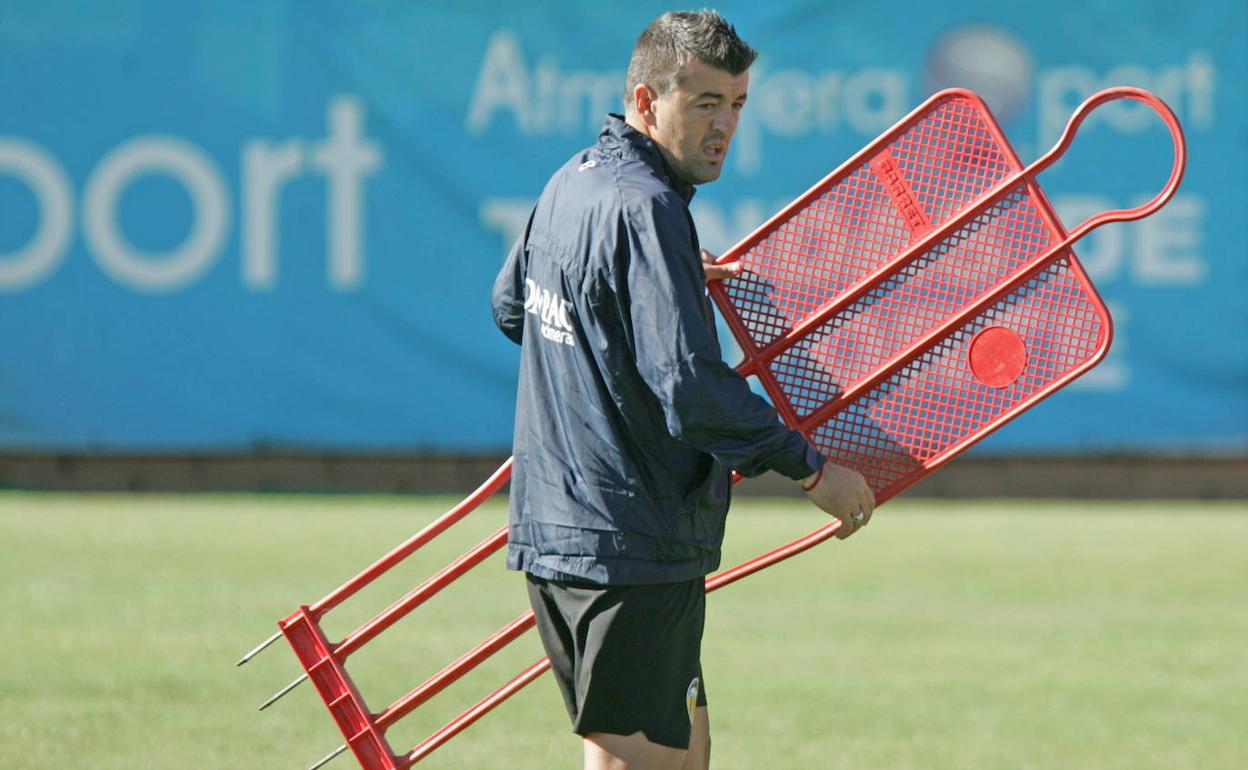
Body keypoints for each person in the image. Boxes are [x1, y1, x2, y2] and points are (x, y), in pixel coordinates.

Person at [491, 10, 875, 770]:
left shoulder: (574, 178)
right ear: (645, 101)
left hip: (574, 528)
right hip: (628, 539)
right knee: (649, 761)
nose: (724, 125)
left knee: (682, 750)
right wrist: (810, 468)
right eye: (704, 104)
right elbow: (688, 386)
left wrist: (643, 289)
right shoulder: (647, 207)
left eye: (736, 105)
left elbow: (512, 308)